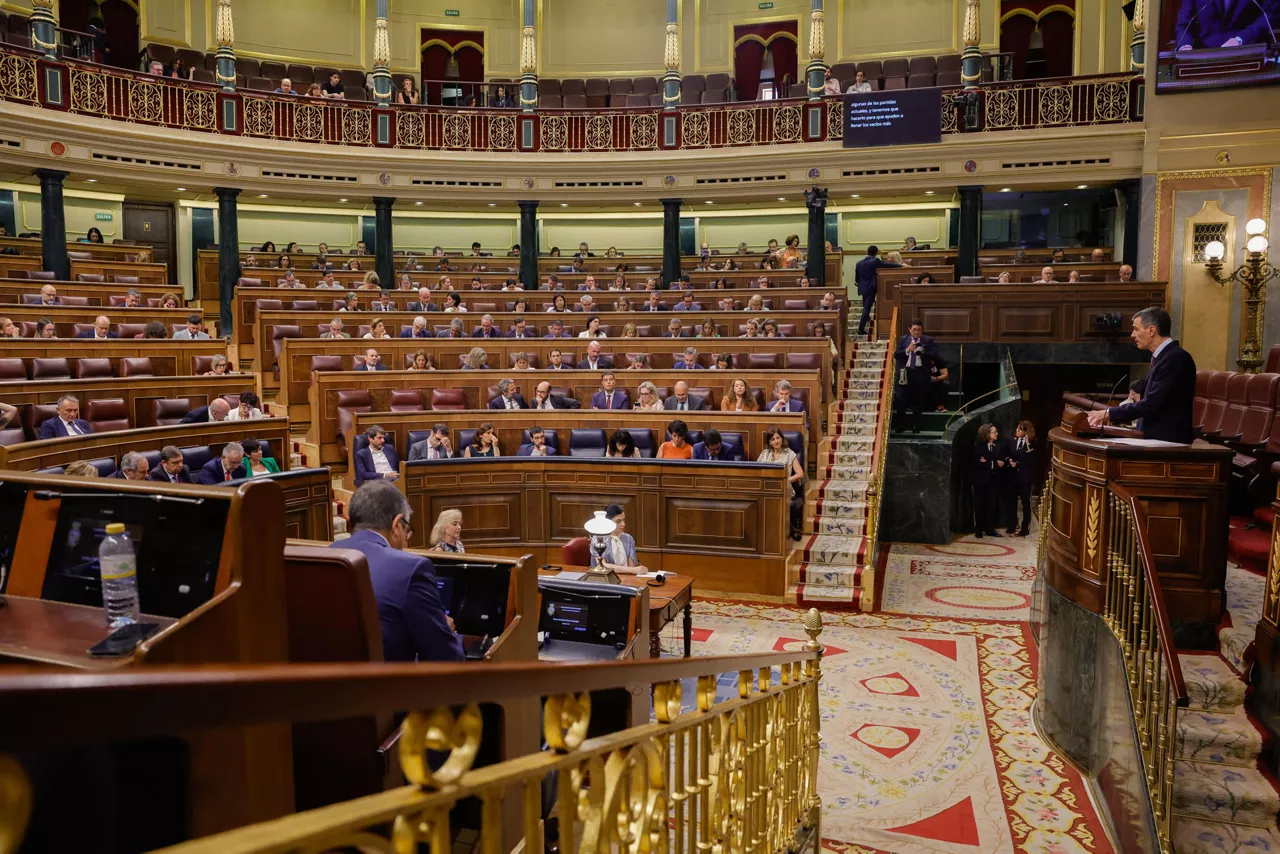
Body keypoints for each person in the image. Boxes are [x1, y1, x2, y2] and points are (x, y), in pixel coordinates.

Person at [332, 481, 462, 662]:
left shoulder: (326, 555)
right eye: (407, 530)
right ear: (396, 525)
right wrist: (447, 630)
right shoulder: (412, 569)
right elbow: (446, 659)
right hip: (387, 687)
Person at [1087, 307, 1196, 442]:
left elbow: (1152, 403)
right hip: (1153, 438)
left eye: (1136, 329)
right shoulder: (1162, 357)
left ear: (1151, 330)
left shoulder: (1176, 358)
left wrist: (1109, 413)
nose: (1132, 335)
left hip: (1167, 442)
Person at [1175, 0, 1280, 50]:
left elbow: (1272, 13)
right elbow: (1184, 24)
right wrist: (1185, 47)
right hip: (1205, 54)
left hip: (1248, 50)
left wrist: (1240, 39)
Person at [759, 426, 805, 539]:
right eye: (773, 439)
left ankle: (779, 533)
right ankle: (790, 529)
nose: (776, 441)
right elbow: (757, 469)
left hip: (785, 488)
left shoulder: (789, 453)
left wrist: (786, 480)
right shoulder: (765, 454)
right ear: (769, 442)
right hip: (767, 488)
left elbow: (800, 474)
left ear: (782, 438)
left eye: (778, 438)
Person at [894, 319, 936, 433]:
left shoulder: (928, 340)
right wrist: (907, 350)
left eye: (918, 330)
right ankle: (900, 426)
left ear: (921, 330)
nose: (916, 332)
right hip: (905, 373)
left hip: (919, 373)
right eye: (914, 330)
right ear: (910, 330)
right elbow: (896, 354)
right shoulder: (904, 339)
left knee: (918, 401)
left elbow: (934, 355)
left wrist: (923, 353)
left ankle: (916, 426)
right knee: (901, 399)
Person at [855, 245, 900, 337]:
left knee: (865, 305)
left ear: (867, 252)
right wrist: (899, 265)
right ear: (876, 253)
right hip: (871, 287)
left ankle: (866, 319)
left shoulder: (859, 263)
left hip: (862, 287)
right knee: (867, 308)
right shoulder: (875, 261)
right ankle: (861, 328)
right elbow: (886, 266)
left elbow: (857, 278)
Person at [972, 424, 1007, 538]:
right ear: (987, 434)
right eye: (994, 432)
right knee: (980, 505)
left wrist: (989, 463)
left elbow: (1001, 463)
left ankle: (990, 529)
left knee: (992, 506)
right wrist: (994, 463)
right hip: (981, 481)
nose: (997, 434)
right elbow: (979, 462)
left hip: (994, 481)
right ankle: (979, 529)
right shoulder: (979, 446)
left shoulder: (998, 445)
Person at [1005, 420, 1036, 537]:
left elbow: (1032, 458)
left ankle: (1025, 528)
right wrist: (1009, 460)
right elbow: (1006, 453)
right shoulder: (1012, 441)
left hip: (1024, 478)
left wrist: (1028, 445)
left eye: (1020, 429)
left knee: (1025, 504)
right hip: (1012, 477)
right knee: (1011, 502)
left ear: (1026, 432)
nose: (1017, 431)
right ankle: (1012, 525)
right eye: (1017, 428)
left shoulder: (1032, 443)